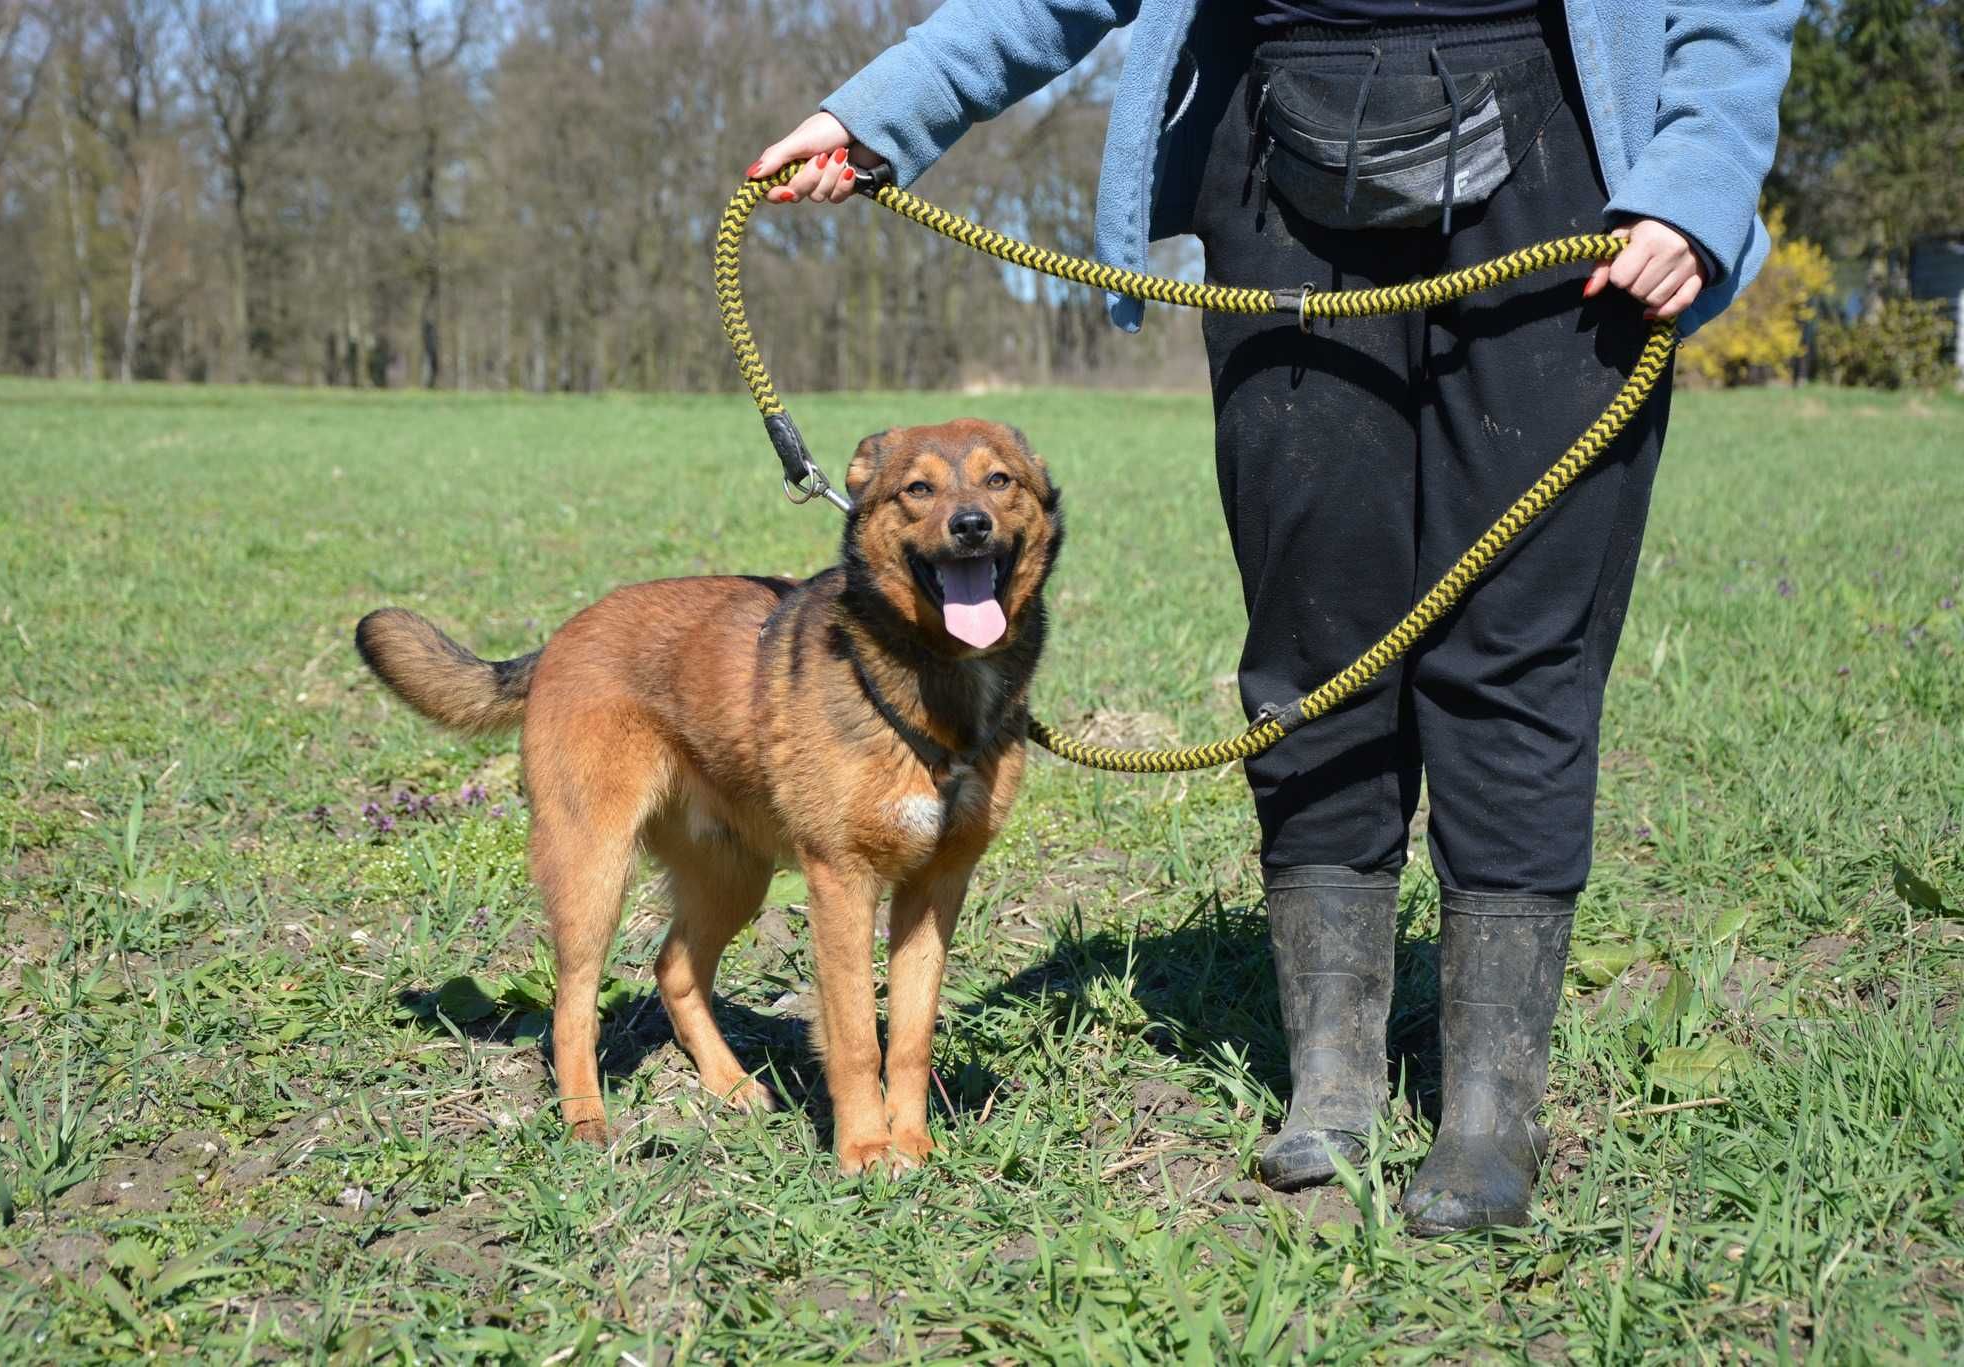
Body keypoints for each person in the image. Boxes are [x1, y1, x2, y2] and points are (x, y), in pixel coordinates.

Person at [749, 0, 1796, 1233]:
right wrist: (878, 113)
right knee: (1316, 648)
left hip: (1568, 178)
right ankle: (1335, 1078)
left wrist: (1696, 179)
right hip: (1280, 171)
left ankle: (1487, 1112)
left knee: (1516, 643)